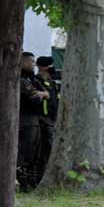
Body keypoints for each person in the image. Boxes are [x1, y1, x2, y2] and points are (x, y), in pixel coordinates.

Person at [18, 52, 48, 191]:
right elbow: (34, 98)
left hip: (35, 121)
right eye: (32, 61)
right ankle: (22, 182)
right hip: (24, 121)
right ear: (24, 62)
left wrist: (40, 94)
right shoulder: (20, 79)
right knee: (25, 153)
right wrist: (40, 95)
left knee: (35, 154)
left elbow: (46, 93)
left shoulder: (32, 80)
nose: (34, 65)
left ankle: (31, 181)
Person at [34, 56, 59, 184]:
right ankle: (39, 179)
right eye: (50, 65)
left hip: (52, 120)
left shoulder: (52, 82)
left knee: (50, 151)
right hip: (43, 120)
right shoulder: (36, 81)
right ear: (42, 67)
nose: (52, 68)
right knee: (44, 151)